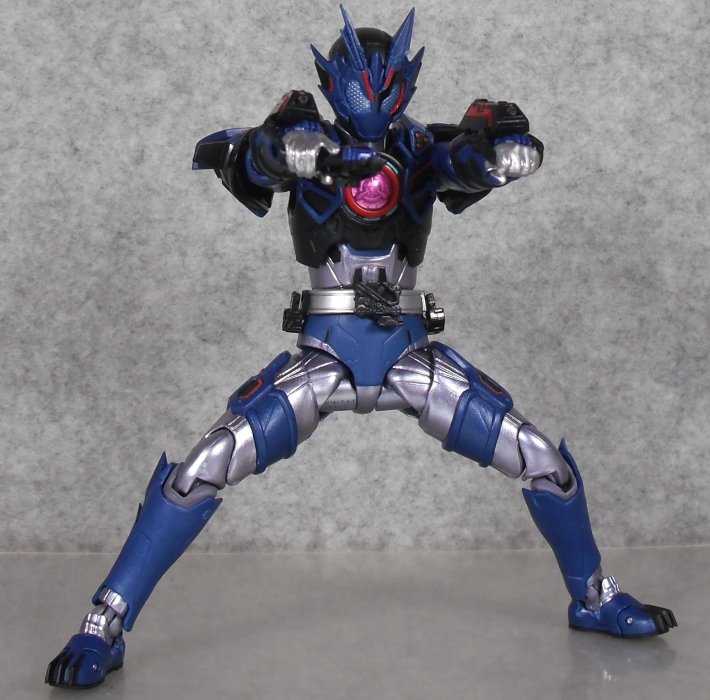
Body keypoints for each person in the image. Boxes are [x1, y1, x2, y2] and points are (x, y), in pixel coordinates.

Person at [46, 6, 676, 689]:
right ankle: (102, 625)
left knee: (544, 462)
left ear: (404, 84)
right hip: (326, 356)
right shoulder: (305, 139)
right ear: (333, 81)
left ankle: (595, 597)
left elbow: (461, 162)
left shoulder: (420, 149)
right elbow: (255, 158)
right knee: (202, 469)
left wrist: (497, 153)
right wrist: (292, 151)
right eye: (359, 84)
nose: (372, 98)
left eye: (385, 84)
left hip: (409, 355)